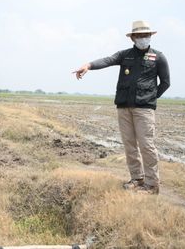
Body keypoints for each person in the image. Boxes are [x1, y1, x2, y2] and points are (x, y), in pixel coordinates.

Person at [73, 20, 170, 194]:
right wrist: (88, 65)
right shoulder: (125, 55)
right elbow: (107, 60)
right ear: (132, 38)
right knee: (129, 145)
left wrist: (150, 97)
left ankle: (152, 184)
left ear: (151, 36)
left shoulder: (158, 57)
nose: (143, 38)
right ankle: (137, 178)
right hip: (124, 107)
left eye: (146, 35)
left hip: (144, 109)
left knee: (146, 145)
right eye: (139, 35)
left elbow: (165, 83)